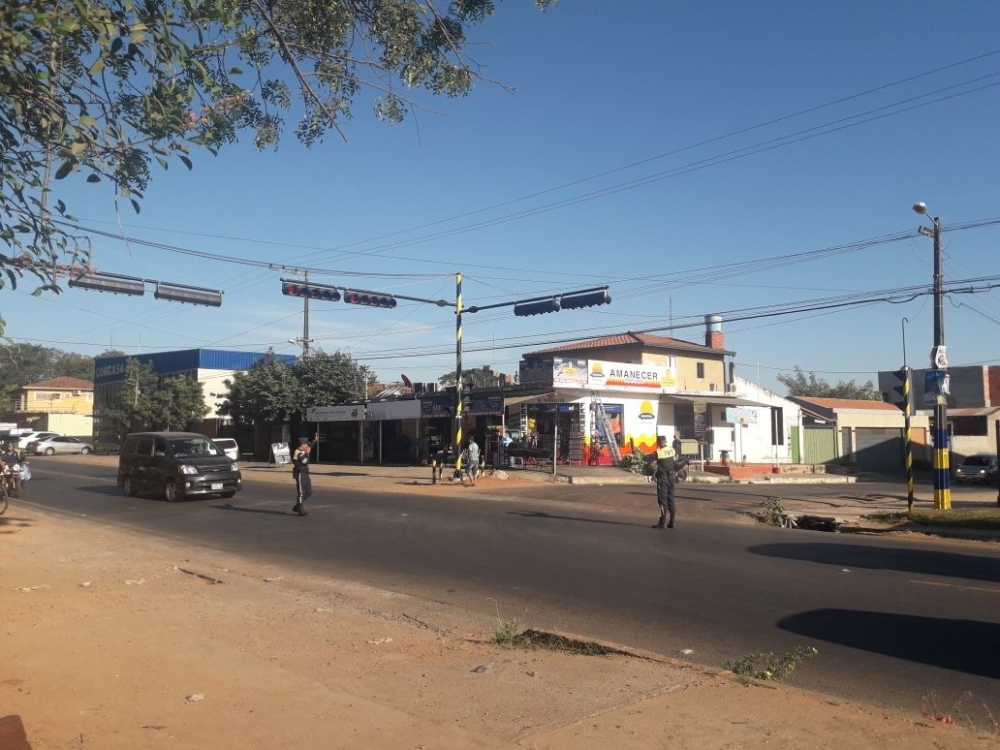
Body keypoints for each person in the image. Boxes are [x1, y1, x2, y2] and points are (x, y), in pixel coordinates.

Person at [652, 435, 690, 530]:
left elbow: (647, 458)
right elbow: (678, 450)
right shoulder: (671, 450)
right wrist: (677, 440)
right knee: (670, 499)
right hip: (672, 478)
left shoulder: (659, 452)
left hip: (663, 478)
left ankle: (663, 522)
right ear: (665, 442)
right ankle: (672, 522)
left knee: (662, 500)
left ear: (658, 443)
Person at [291, 433, 319, 516]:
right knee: (301, 492)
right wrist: (307, 453)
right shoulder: (298, 453)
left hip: (305, 473)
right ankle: (300, 509)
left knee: (308, 492)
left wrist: (315, 440)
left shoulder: (304, 448)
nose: (308, 445)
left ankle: (297, 506)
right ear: (302, 444)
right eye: (306, 444)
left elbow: (310, 445)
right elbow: (306, 461)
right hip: (300, 473)